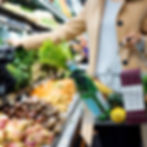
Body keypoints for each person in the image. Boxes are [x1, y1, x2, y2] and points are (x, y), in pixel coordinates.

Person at [9, 0, 147, 146]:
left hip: (132, 82)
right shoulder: (93, 4)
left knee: (131, 136)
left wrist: (141, 41)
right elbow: (63, 33)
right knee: (107, 137)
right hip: (98, 86)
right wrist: (23, 43)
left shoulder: (141, 4)